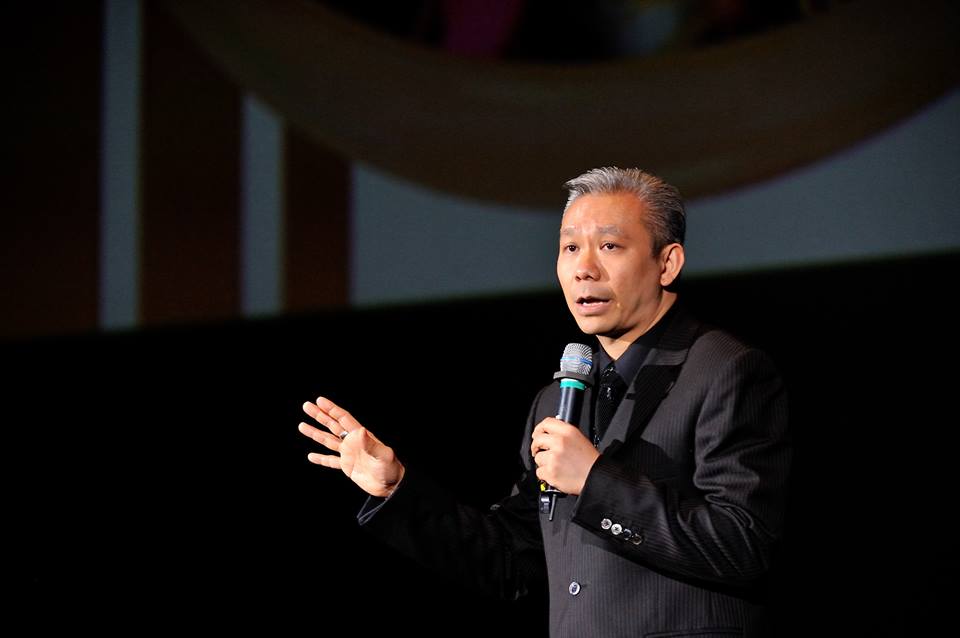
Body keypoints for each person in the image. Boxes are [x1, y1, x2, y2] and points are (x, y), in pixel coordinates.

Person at [298, 167, 791, 637]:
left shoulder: (726, 370)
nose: (584, 269)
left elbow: (743, 544)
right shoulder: (557, 399)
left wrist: (594, 480)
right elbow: (511, 562)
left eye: (610, 246)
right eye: (570, 247)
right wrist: (397, 489)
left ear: (667, 263)